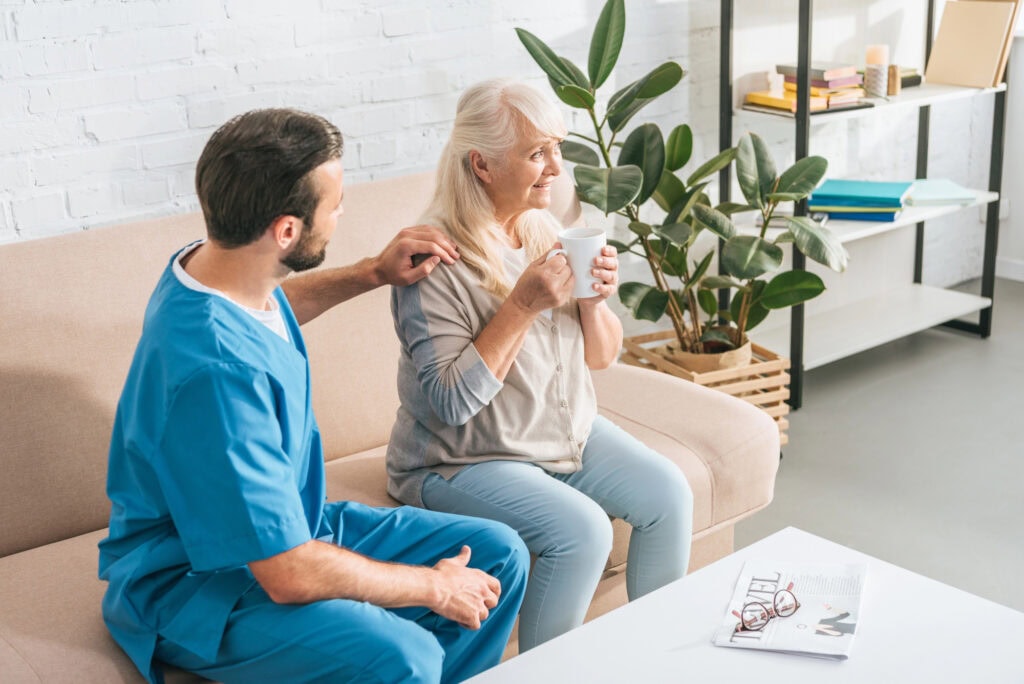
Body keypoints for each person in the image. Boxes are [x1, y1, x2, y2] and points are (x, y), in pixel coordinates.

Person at [98, 108, 529, 684]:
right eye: (337, 202)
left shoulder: (209, 266)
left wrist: (373, 272)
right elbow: (286, 573)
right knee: (408, 656)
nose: (344, 212)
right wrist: (433, 585)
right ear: (286, 231)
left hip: (295, 523)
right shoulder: (217, 375)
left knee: (500, 553)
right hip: (200, 580)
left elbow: (270, 308)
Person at [385, 79, 695, 652]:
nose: (556, 166)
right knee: (581, 531)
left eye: (556, 147)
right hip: (461, 457)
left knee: (668, 493)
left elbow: (601, 357)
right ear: (481, 164)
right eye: (537, 153)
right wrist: (523, 305)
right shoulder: (434, 261)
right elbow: (452, 403)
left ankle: (661, 659)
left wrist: (593, 304)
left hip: (557, 434)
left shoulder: (544, 231)